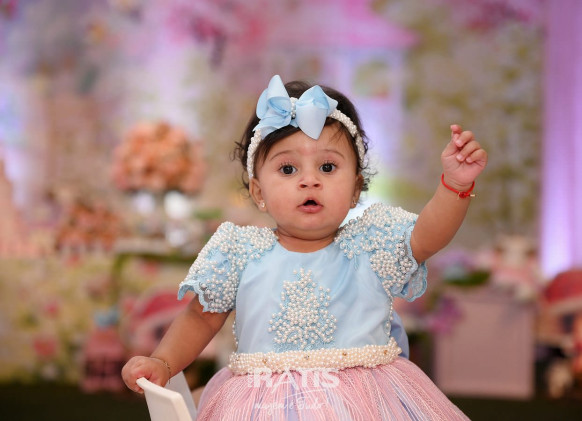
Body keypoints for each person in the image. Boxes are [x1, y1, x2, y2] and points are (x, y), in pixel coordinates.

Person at [122, 74, 487, 420]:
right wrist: (163, 362)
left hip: (364, 402)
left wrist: (454, 185)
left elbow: (426, 237)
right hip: (263, 403)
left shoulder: (371, 242)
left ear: (356, 188)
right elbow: (200, 317)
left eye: (327, 167)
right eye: (288, 169)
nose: (310, 180)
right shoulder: (239, 251)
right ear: (258, 191)